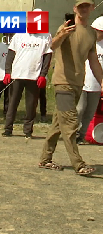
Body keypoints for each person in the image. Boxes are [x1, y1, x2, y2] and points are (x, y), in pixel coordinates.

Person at [40, 0, 100, 176]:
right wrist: (62, 35)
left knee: (59, 124)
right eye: (80, 6)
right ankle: (78, 164)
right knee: (71, 123)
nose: (83, 9)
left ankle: (45, 159)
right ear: (74, 9)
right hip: (63, 82)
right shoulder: (66, 27)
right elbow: (52, 46)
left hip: (77, 83)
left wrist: (102, 81)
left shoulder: (90, 33)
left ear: (91, 8)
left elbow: (93, 60)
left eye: (86, 6)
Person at [2, 9, 53, 139]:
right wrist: (8, 72)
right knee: (12, 103)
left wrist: (43, 74)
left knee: (31, 105)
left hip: (34, 76)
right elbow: (10, 54)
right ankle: (8, 129)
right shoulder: (19, 35)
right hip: (17, 75)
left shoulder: (46, 36)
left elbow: (47, 57)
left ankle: (28, 131)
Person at [76, 16, 103, 145]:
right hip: (82, 81)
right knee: (79, 109)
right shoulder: (86, 41)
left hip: (97, 84)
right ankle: (73, 134)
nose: (100, 34)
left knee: (90, 112)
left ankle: (81, 136)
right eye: (98, 31)